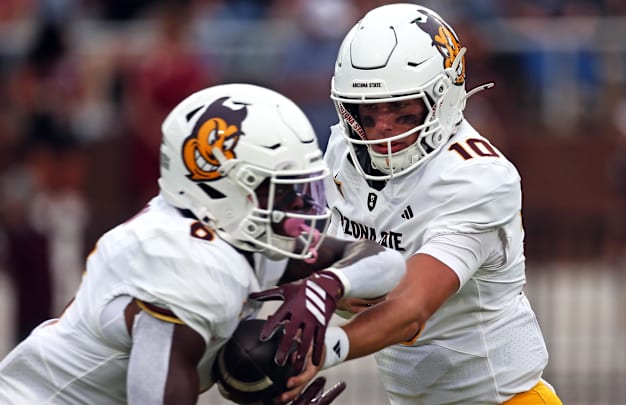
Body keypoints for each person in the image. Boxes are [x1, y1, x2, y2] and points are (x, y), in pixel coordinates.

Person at [0, 83, 406, 404]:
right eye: (280, 190)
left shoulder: (231, 231)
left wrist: (327, 286)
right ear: (220, 186)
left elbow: (384, 261)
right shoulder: (185, 259)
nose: (298, 205)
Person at [252, 4, 563, 404]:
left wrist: (317, 349)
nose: (382, 127)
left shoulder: (478, 177)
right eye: (369, 109)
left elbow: (411, 307)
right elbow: (332, 267)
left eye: (402, 110)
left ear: (442, 97)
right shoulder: (344, 150)